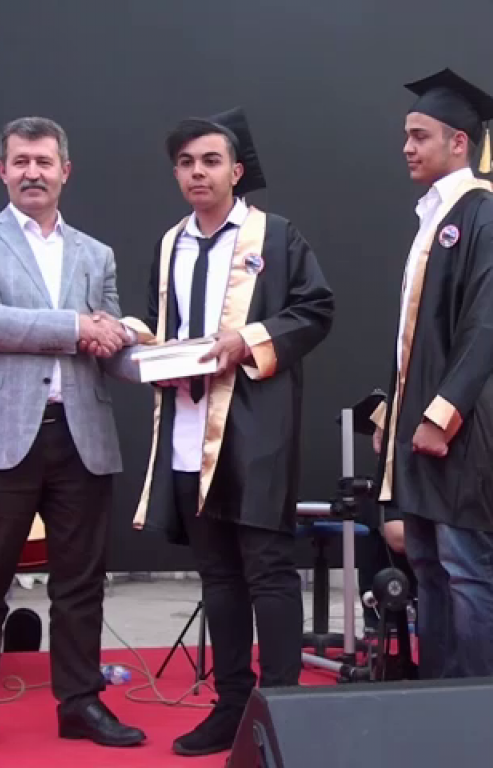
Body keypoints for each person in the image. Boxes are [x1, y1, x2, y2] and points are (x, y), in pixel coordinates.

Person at [0, 116, 145, 760]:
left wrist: (152, 352)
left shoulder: (96, 253)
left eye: (44, 162)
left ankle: (80, 704)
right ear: (2, 170)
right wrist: (80, 326)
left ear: (64, 172)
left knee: (81, 584)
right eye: (20, 161)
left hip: (81, 437)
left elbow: (107, 344)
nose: (32, 173)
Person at [121, 107, 334, 757]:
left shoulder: (276, 236)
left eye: (210, 161)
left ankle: (283, 708)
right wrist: (149, 356)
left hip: (256, 425)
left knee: (267, 570)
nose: (198, 173)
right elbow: (162, 325)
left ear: (236, 171)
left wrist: (247, 340)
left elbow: (316, 309)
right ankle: (232, 705)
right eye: (186, 163)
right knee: (217, 576)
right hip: (188, 426)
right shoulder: (170, 244)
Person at [371, 68, 493, 679]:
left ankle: (490, 707)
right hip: (423, 424)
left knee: (469, 565)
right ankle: (440, 702)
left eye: (420, 135)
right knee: (429, 565)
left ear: (459, 142)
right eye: (407, 135)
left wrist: (441, 416)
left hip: (464, 425)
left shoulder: (489, 221)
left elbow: (486, 330)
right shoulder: (432, 218)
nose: (407, 147)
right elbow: (413, 339)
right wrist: (394, 415)